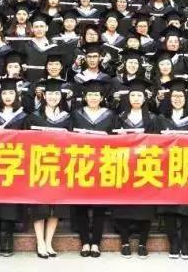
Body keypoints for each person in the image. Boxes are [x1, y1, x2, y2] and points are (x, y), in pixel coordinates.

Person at [24, 77, 72, 258]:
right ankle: (40, 242)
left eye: (56, 94)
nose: (53, 97)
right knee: (40, 205)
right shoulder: (33, 117)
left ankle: (49, 242)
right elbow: (25, 142)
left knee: (56, 206)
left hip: (60, 166)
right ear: (44, 96)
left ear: (61, 96)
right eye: (50, 94)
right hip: (39, 166)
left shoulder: (67, 118)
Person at [112, 78, 158, 259]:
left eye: (139, 95)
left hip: (145, 167)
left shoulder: (152, 118)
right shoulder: (120, 118)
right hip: (124, 166)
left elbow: (158, 143)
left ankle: (142, 243)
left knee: (145, 207)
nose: (136, 98)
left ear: (145, 98)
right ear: (128, 98)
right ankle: (124, 241)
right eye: (133, 95)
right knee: (124, 206)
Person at [155, 80, 188, 259]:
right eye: (174, 96)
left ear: (186, 98)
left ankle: (185, 242)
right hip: (166, 167)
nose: (177, 99)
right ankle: (173, 242)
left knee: (187, 206)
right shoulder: (160, 119)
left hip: (187, 166)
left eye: (181, 96)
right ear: (169, 98)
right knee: (169, 207)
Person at [0, 77, 27, 257]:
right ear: (0, 95)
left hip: (14, 165)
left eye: (11, 93)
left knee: (10, 204)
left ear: (16, 95)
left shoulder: (23, 116)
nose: (8, 96)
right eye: (5, 93)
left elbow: (29, 140)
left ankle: (7, 239)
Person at [70, 79, 115, 258]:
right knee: (81, 205)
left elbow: (116, 139)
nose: (94, 98)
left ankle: (95, 242)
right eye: (90, 95)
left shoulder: (110, 115)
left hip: (102, 164)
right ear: (85, 97)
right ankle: (84, 242)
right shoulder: (76, 114)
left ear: (102, 97)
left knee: (99, 206)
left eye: (97, 95)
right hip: (81, 164)